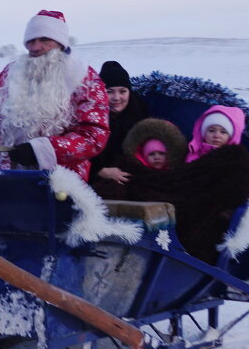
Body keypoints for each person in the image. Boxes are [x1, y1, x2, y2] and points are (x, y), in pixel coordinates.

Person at [0, 10, 109, 180]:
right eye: (31, 40)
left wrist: (42, 150)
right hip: (5, 169)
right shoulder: (11, 73)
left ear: (60, 43)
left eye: (44, 39)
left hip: (59, 177)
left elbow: (94, 135)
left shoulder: (85, 79)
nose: (36, 47)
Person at [93, 111, 249, 264]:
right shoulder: (190, 154)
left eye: (223, 132)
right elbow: (176, 180)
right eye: (212, 130)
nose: (216, 135)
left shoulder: (232, 158)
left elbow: (222, 187)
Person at [89, 60, 149, 184]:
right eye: (110, 92)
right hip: (96, 177)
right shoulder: (89, 116)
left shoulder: (140, 114)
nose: (116, 98)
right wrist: (100, 171)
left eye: (122, 91)